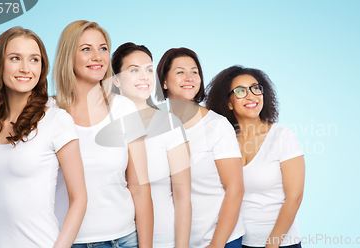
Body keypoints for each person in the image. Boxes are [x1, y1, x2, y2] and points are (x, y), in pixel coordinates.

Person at [0, 26, 87, 248]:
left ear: (42, 67)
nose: (26, 68)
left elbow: (79, 199)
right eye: (15, 58)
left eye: (34, 60)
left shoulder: (56, 120)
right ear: (0, 64)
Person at [52, 20, 153, 248]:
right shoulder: (47, 112)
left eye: (103, 48)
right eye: (86, 49)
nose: (97, 56)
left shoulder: (124, 109)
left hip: (123, 241)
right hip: (65, 242)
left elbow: (139, 187)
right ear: (69, 55)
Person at [206, 65, 305, 248]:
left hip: (281, 244)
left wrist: (272, 245)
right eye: (241, 91)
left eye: (255, 88)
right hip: (236, 242)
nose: (251, 96)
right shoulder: (223, 142)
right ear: (228, 103)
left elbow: (295, 197)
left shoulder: (282, 136)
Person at [156, 48, 245, 248]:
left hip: (219, 241)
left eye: (194, 72)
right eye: (180, 72)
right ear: (164, 81)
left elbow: (236, 189)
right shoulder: (155, 127)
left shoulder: (217, 126)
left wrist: (216, 244)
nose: (189, 77)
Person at [111, 42, 191, 248]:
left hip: (163, 239)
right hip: (114, 238)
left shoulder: (170, 124)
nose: (144, 76)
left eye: (148, 69)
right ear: (116, 80)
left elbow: (182, 197)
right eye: (134, 70)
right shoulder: (104, 125)